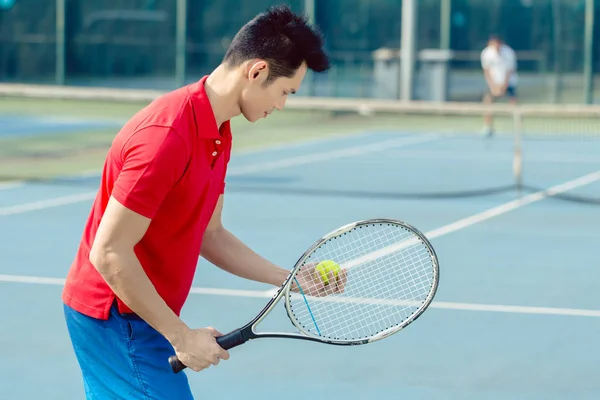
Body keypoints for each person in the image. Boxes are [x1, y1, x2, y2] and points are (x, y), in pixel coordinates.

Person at [61, 5, 344, 399]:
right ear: (257, 71)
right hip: (116, 318)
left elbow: (210, 234)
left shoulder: (218, 130)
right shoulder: (166, 137)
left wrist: (289, 278)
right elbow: (108, 253)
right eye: (285, 92)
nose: (282, 105)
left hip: (143, 315)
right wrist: (180, 336)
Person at [480, 34, 518, 137]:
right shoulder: (486, 53)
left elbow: (510, 71)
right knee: (487, 101)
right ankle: (487, 127)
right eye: (493, 44)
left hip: (508, 82)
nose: (496, 46)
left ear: (501, 43)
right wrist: (493, 86)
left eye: (497, 43)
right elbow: (486, 71)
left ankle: (516, 127)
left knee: (513, 103)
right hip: (493, 83)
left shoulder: (509, 52)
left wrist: (503, 86)